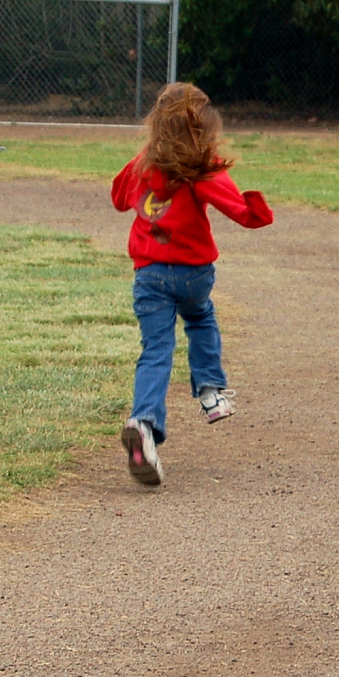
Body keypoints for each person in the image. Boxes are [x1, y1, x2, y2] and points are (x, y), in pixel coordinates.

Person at [110, 82, 274, 488]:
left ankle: (143, 423)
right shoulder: (202, 166)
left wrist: (140, 165)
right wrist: (257, 207)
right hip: (193, 274)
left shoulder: (144, 164)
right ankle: (210, 391)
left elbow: (118, 197)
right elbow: (242, 212)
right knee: (200, 318)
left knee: (156, 350)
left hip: (148, 275)